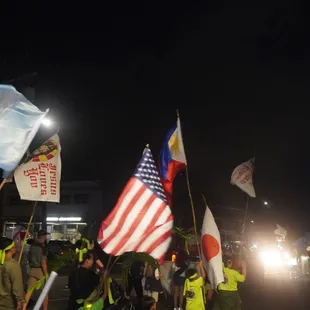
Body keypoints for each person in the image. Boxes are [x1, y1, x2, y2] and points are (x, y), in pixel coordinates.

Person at [23, 229, 49, 310]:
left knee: (29, 291)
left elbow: (28, 257)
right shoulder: (42, 247)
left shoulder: (32, 246)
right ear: (43, 236)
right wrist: (46, 274)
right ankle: (45, 309)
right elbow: (43, 262)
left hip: (32, 270)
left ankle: (23, 307)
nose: (46, 238)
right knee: (44, 293)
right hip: (40, 271)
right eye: (46, 236)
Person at [0, 237, 25, 310]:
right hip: (8, 304)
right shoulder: (13, 266)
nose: (16, 249)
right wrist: (20, 301)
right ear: (11, 249)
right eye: (14, 247)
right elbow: (17, 287)